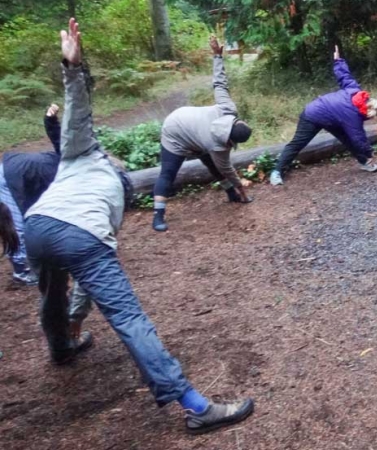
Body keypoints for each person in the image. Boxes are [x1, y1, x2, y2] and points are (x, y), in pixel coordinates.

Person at [20, 18, 254, 434]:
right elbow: (77, 116)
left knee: (52, 294)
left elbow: (86, 277)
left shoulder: (93, 173)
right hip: (74, 232)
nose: (117, 158)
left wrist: (77, 315)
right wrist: (72, 70)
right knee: (130, 319)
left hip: (36, 228)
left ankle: (62, 346)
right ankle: (196, 405)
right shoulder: (83, 154)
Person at [1, 103, 93, 335]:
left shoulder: (73, 160)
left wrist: (50, 119)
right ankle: (23, 271)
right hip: (8, 178)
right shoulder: (76, 168)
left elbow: (58, 139)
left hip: (15, 170)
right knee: (16, 226)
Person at [152, 35, 253, 232]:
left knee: (213, 165)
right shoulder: (218, 146)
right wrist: (243, 190)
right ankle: (158, 216)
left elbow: (220, 84)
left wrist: (217, 56)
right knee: (168, 173)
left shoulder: (227, 109)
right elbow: (229, 170)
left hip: (194, 128)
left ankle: (231, 195)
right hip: (176, 132)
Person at [269, 46, 377, 186]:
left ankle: (364, 162)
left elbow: (344, 76)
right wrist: (368, 151)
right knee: (298, 144)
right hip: (313, 115)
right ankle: (276, 172)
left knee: (347, 138)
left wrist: (338, 61)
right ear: (371, 111)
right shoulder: (353, 115)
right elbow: (359, 137)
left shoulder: (355, 90)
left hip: (333, 118)